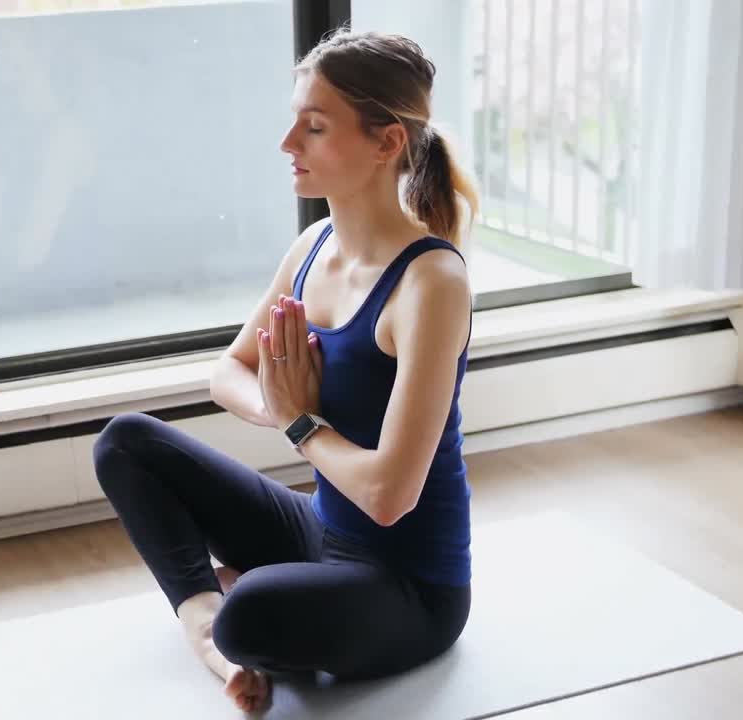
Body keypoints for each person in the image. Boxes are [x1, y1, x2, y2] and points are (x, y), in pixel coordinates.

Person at [92, 27, 479, 714]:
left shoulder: (431, 283)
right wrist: (281, 404)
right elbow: (228, 373)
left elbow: (390, 495)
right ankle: (205, 624)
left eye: (315, 126)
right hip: (321, 529)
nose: (287, 144)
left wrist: (301, 422)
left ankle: (230, 612)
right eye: (294, 120)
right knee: (126, 443)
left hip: (409, 587)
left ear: (385, 142)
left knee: (255, 616)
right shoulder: (315, 245)